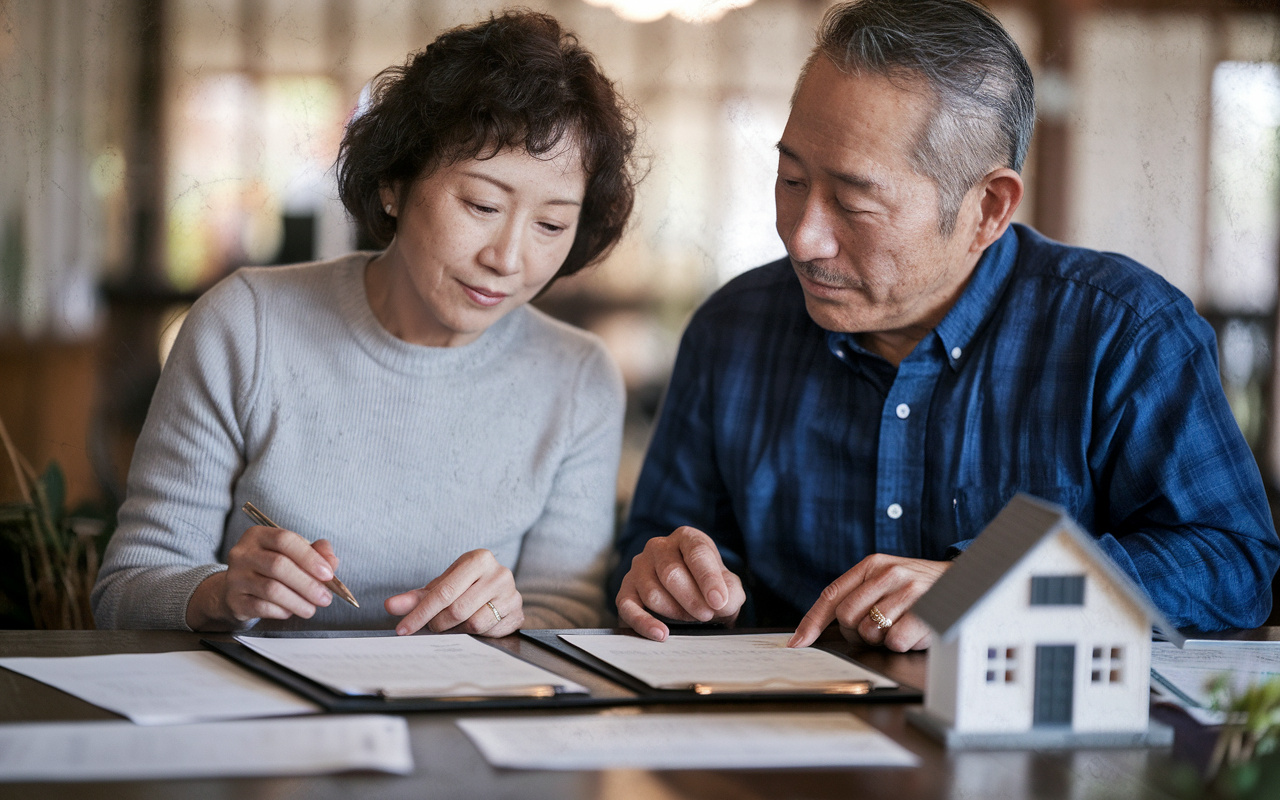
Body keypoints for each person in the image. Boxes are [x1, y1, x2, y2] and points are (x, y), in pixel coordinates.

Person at [613, 0, 1280, 651]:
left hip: (1037, 754)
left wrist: (991, 587)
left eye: (852, 201)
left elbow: (1233, 565)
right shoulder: (733, 330)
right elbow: (653, 547)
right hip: (784, 741)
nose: (804, 238)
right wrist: (672, 581)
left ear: (989, 207)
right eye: (790, 179)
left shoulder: (1121, 333)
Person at [92, 10, 638, 635]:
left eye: (550, 225)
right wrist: (220, 593)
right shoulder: (246, 327)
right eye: (482, 204)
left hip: (465, 712)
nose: (508, 259)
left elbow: (565, 617)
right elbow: (125, 589)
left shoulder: (578, 378)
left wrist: (512, 620)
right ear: (393, 185)